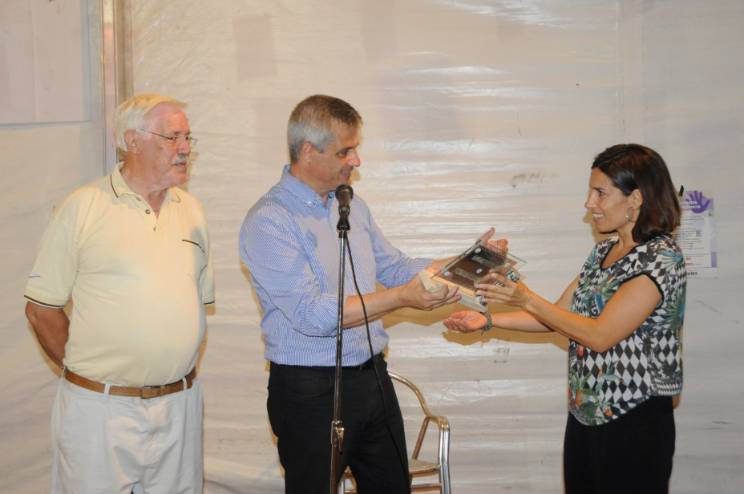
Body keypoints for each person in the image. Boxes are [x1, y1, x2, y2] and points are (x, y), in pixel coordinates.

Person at [239, 94, 467, 494]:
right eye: (345, 151)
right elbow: (311, 314)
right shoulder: (270, 221)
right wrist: (401, 298)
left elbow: (394, 266)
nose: (356, 160)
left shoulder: (351, 205)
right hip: (310, 390)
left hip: (371, 378)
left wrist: (466, 265)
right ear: (308, 152)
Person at [444, 144, 686, 494]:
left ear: (635, 199)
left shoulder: (661, 258)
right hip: (586, 414)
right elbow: (559, 315)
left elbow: (600, 335)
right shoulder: (603, 252)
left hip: (634, 419)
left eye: (600, 193)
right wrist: (489, 320)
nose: (589, 203)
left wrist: (524, 296)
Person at [24, 93, 214, 494]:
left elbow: (193, 306)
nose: (184, 148)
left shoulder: (192, 211)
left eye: (187, 137)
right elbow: (42, 309)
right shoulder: (82, 207)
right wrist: (88, 377)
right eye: (172, 137)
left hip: (179, 405)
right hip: (100, 412)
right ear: (133, 141)